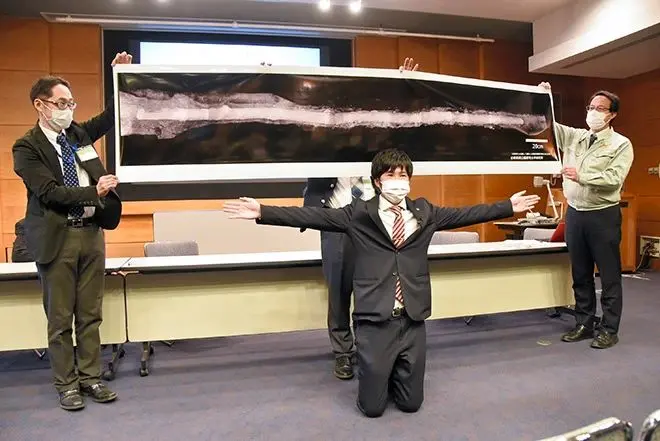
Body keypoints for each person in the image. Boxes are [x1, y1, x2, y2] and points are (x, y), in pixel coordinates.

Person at [224, 148, 539, 417]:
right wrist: (262, 211)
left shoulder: (425, 211)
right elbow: (312, 217)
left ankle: (393, 372)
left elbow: (465, 214)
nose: (398, 181)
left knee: (411, 405)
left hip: (412, 319)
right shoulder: (358, 214)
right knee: (373, 408)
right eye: (391, 175)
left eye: (403, 175)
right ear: (377, 181)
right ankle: (376, 371)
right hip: (374, 320)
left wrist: (507, 206)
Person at [12, 51, 132, 411]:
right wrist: (94, 192)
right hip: (58, 237)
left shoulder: (76, 134)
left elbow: (111, 117)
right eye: (61, 103)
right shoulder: (26, 147)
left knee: (91, 314)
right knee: (61, 318)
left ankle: (90, 377)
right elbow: (49, 192)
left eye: (71, 103)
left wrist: (118, 77)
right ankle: (66, 384)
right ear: (40, 105)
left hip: (92, 233)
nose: (68, 109)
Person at [302, 57, 420, 380]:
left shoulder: (378, 138)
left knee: (376, 289)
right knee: (339, 293)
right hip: (337, 221)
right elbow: (300, 135)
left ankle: (373, 346)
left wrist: (404, 88)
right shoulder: (322, 136)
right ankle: (343, 352)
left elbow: (404, 126)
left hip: (374, 222)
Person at [539, 82, 634, 349]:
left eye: (600, 109)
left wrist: (582, 176)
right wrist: (544, 98)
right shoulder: (576, 136)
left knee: (609, 275)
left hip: (602, 215)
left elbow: (614, 179)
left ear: (612, 114)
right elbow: (549, 126)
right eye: (591, 107)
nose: (593, 112)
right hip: (576, 214)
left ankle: (609, 329)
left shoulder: (621, 144)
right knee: (580, 273)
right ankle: (584, 323)